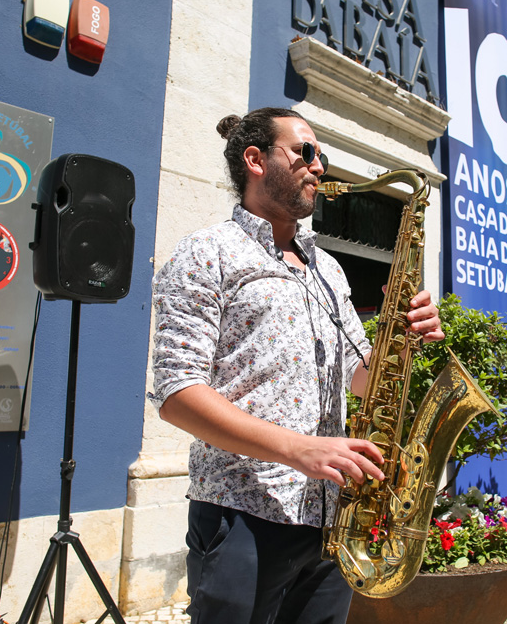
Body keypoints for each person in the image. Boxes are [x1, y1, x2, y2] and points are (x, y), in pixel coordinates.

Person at [151, 107, 444, 624]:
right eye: (305, 152)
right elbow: (177, 394)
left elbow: (359, 377)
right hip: (243, 516)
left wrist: (401, 339)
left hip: (332, 521)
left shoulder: (327, 267)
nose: (319, 166)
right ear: (255, 160)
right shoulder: (206, 253)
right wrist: (300, 450)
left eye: (322, 156)